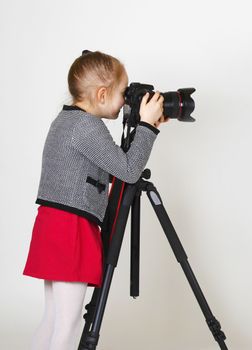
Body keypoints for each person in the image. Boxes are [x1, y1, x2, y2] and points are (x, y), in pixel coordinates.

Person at [23, 50, 167, 350]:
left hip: (53, 224)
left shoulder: (64, 120)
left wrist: (141, 126)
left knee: (52, 318)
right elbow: (128, 171)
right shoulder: (87, 127)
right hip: (71, 228)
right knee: (68, 323)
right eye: (123, 93)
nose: (126, 100)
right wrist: (148, 127)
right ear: (102, 94)